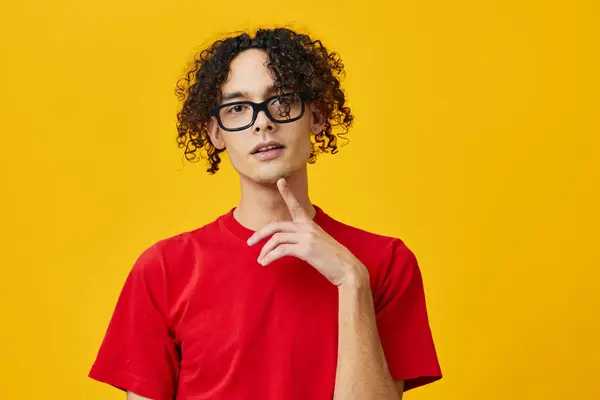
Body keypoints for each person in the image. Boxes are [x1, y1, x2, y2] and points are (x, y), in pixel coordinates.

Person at [88, 27, 442, 400]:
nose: (262, 122)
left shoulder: (384, 264)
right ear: (216, 134)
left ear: (317, 117)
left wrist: (352, 282)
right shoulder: (162, 270)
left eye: (282, 100)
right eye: (238, 107)